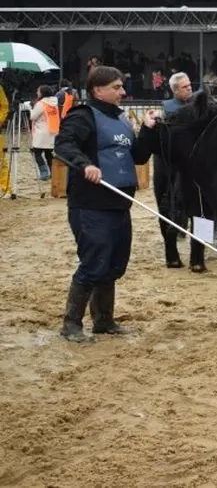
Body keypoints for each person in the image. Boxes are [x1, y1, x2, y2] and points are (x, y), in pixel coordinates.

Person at [54, 66, 159, 343]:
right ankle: (71, 324)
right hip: (90, 204)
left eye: (121, 86)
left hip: (120, 204)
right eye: (116, 87)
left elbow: (137, 157)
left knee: (114, 264)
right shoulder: (83, 116)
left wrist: (147, 130)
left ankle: (104, 321)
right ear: (98, 90)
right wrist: (85, 164)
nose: (123, 92)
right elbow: (63, 145)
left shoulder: (123, 121)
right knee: (94, 262)